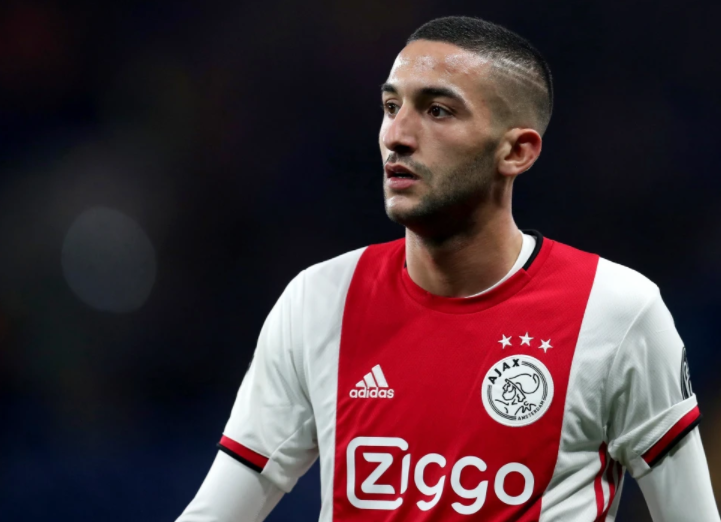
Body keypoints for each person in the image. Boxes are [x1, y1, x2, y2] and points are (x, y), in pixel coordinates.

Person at [177, 16, 719, 521]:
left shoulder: (617, 311)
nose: (397, 135)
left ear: (517, 151)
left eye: (437, 110)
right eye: (391, 106)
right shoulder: (318, 301)